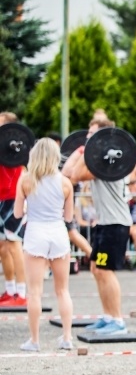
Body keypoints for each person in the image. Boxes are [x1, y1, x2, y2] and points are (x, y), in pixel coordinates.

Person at [62, 118, 132, 335]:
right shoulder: (99, 160)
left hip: (116, 224)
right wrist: (84, 149)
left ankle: (118, 321)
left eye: (93, 134)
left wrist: (84, 151)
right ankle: (108, 316)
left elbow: (74, 176)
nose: (88, 137)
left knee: (105, 270)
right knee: (96, 269)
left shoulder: (105, 163)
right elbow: (66, 172)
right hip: (104, 223)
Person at [13, 138, 74, 351]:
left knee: (35, 292)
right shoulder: (65, 182)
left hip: (36, 233)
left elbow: (18, 213)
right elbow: (69, 217)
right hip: (58, 233)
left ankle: (35, 340)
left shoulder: (26, 180)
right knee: (62, 290)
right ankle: (67, 337)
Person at [0, 111, 27, 307]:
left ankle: (22, 293)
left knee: (14, 245)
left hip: (12, 197)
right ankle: (9, 291)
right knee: (2, 247)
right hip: (0, 197)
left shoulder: (17, 146)